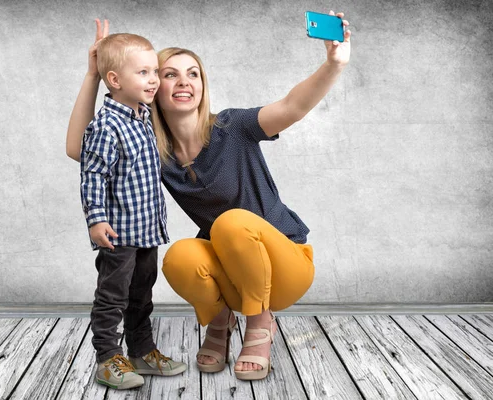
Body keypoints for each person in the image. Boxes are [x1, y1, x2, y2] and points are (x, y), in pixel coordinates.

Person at [67, 14, 351, 381]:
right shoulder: (154, 150)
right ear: (153, 86)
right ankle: (220, 325)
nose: (183, 81)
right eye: (169, 74)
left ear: (203, 85)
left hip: (285, 263)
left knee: (230, 223)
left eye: (193, 74)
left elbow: (293, 106)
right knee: (180, 257)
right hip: (232, 270)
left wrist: (333, 64)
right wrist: (95, 75)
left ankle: (260, 324)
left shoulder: (232, 127)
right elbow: (80, 149)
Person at [76, 26, 186, 390]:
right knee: (112, 295)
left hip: (145, 230)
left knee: (142, 293)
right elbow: (93, 174)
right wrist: (96, 220)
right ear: (114, 79)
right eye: (144, 72)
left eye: (155, 71)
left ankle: (141, 350)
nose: (154, 80)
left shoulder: (141, 117)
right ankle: (108, 357)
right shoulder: (106, 125)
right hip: (119, 233)